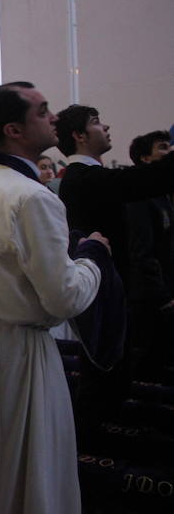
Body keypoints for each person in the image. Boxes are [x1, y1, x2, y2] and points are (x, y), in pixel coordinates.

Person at [0, 81, 111, 514]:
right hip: (18, 353)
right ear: (13, 130)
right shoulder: (32, 197)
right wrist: (93, 257)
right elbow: (64, 298)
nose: (54, 118)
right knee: (24, 471)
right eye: (43, 111)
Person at [56, 105, 174, 424]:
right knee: (103, 386)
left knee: (109, 382)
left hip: (109, 296)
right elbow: (151, 178)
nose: (105, 127)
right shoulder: (84, 179)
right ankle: (90, 446)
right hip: (103, 299)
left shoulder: (89, 177)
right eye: (96, 122)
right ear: (79, 136)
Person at [125, 130, 173, 380]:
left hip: (165, 292)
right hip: (151, 301)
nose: (170, 151)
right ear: (145, 159)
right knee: (150, 369)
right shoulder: (140, 197)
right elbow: (142, 252)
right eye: (163, 147)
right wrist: (164, 298)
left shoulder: (164, 194)